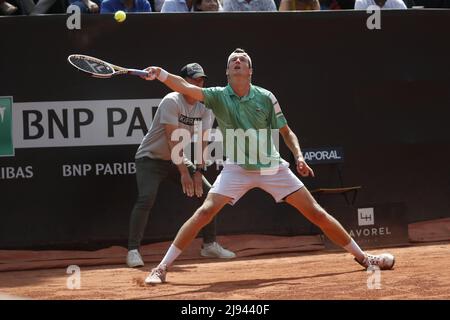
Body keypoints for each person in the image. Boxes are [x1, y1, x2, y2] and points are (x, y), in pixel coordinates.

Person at [141, 48, 395, 284]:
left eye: (243, 61)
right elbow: (184, 85)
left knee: (316, 213)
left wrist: (298, 156)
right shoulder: (217, 96)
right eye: (233, 61)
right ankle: (161, 268)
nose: (237, 62)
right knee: (204, 213)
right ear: (228, 72)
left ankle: (365, 258)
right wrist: (161, 74)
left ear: (250, 71)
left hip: (271, 166)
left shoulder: (266, 97)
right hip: (237, 169)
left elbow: (285, 131)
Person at [126, 62, 236, 268]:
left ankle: (209, 245)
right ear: (183, 81)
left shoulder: (205, 105)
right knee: (146, 198)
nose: (199, 83)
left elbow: (203, 140)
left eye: (201, 79)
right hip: (150, 158)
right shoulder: (171, 100)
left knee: (210, 194)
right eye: (194, 79)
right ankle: (133, 251)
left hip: (178, 159)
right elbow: (172, 138)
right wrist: (184, 172)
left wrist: (198, 171)